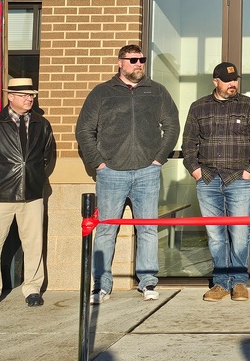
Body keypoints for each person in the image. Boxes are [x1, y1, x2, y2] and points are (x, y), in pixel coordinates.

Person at [75, 44, 179, 304]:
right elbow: (84, 130)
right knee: (106, 230)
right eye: (133, 60)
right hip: (111, 173)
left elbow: (172, 126)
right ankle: (101, 285)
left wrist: (157, 159)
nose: (138, 64)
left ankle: (147, 282)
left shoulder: (156, 91)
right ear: (120, 62)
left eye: (141, 60)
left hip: (147, 171)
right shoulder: (102, 93)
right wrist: (99, 163)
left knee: (147, 229)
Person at [182, 61, 250, 302]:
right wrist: (195, 170)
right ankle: (220, 283)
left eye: (235, 80)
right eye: (228, 80)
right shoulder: (199, 108)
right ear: (215, 81)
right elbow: (188, 144)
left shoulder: (249, 106)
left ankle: (239, 282)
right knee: (215, 234)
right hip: (207, 179)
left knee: (239, 231)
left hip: (238, 179)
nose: (233, 84)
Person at [0, 78, 55, 311]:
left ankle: (33, 289)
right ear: (11, 97)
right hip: (0, 194)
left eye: (32, 95)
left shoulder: (42, 124)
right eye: (24, 95)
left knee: (34, 244)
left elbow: (47, 157)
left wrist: (33, 177)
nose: (30, 99)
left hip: (32, 194)